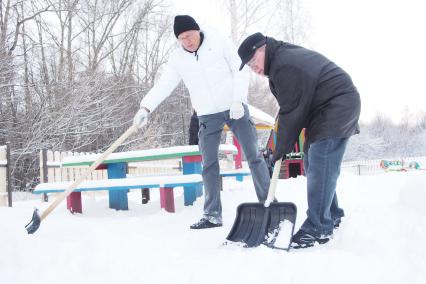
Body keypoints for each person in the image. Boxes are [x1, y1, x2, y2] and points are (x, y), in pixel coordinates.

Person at [133, 16, 271, 229]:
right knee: (208, 164)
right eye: (181, 38)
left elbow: (240, 67)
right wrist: (145, 107)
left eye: (189, 35)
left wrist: (238, 100)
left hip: (234, 107)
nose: (186, 41)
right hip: (206, 114)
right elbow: (164, 84)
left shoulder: (217, 39)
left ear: (197, 30)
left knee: (253, 156)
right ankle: (212, 214)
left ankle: (268, 202)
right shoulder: (177, 59)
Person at [237, 32, 361, 249]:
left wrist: (279, 151)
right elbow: (290, 107)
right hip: (326, 108)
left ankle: (318, 227)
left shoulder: (283, 65)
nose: (252, 67)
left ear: (262, 48)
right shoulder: (280, 61)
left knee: (321, 161)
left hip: (336, 105)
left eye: (253, 60)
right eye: (248, 65)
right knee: (314, 162)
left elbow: (291, 113)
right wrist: (280, 148)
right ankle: (331, 214)